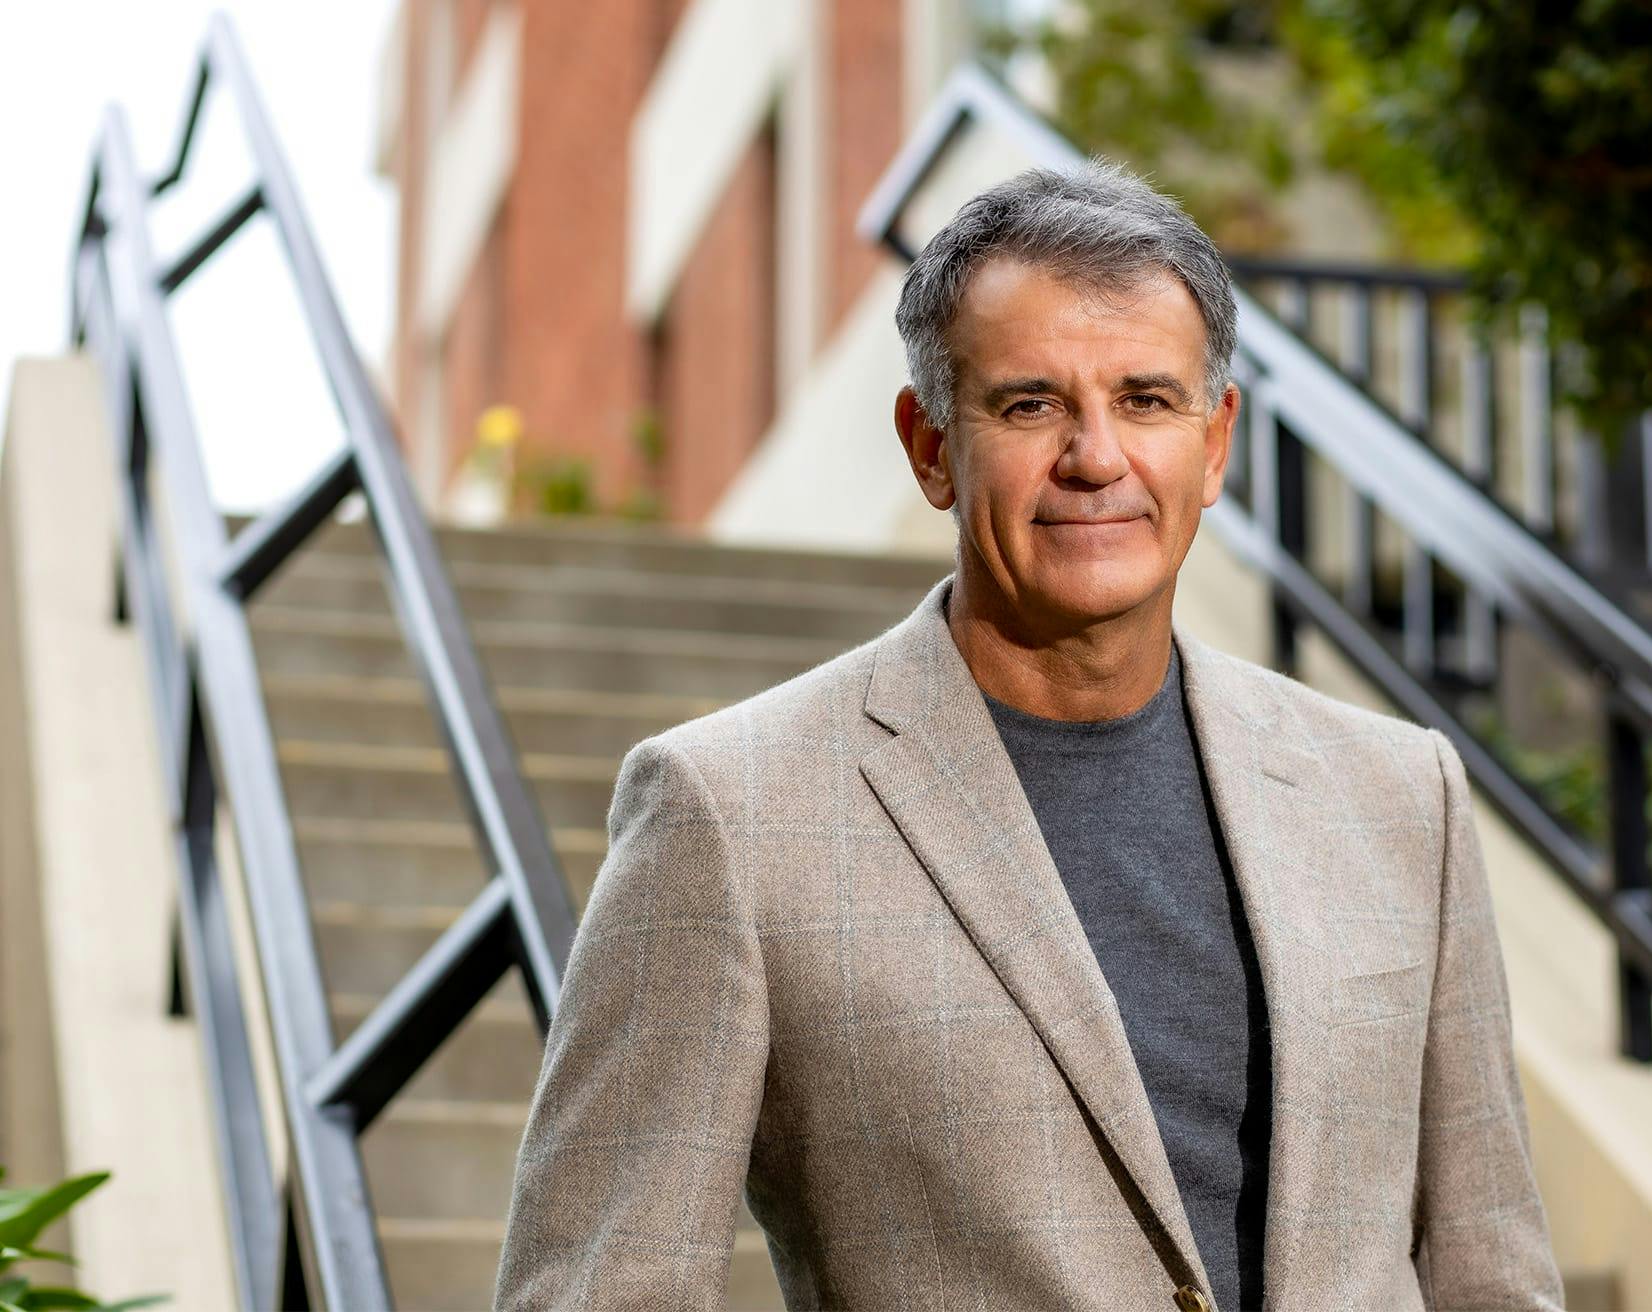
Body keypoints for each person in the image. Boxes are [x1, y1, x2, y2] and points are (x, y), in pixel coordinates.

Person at [493, 160, 1563, 1311]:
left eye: (1146, 401)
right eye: (1030, 404)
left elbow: (1489, 1270)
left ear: (1214, 445)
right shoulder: (730, 813)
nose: (1095, 457)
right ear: (932, 444)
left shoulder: (1403, 793)